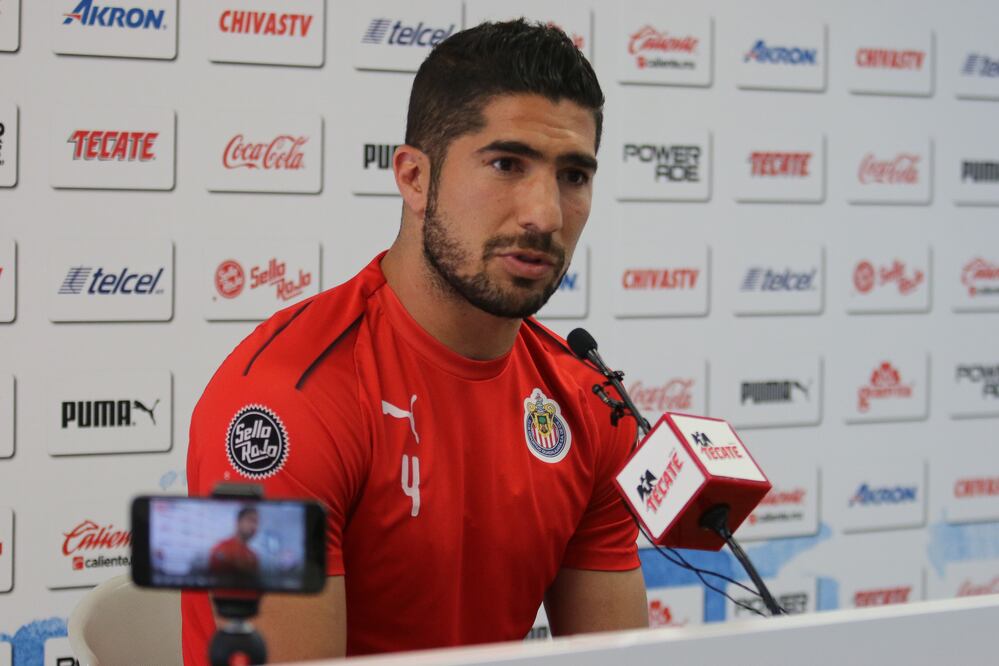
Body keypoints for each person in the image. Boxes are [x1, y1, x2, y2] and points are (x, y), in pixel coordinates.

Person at [183, 19, 648, 663]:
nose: (544, 214)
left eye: (573, 175)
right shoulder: (282, 405)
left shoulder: (590, 404)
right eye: (506, 164)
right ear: (413, 178)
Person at [207, 506, 260, 585]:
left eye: (256, 522)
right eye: (250, 520)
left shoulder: (253, 556)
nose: (254, 526)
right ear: (238, 522)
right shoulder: (221, 548)